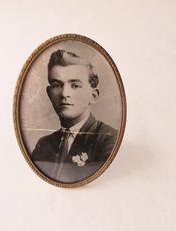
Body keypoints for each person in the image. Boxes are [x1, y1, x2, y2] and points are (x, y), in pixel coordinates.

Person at [30, 49, 118, 182]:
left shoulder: (108, 140)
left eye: (75, 85)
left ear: (93, 96)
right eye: (57, 85)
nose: (64, 93)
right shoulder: (44, 144)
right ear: (49, 93)